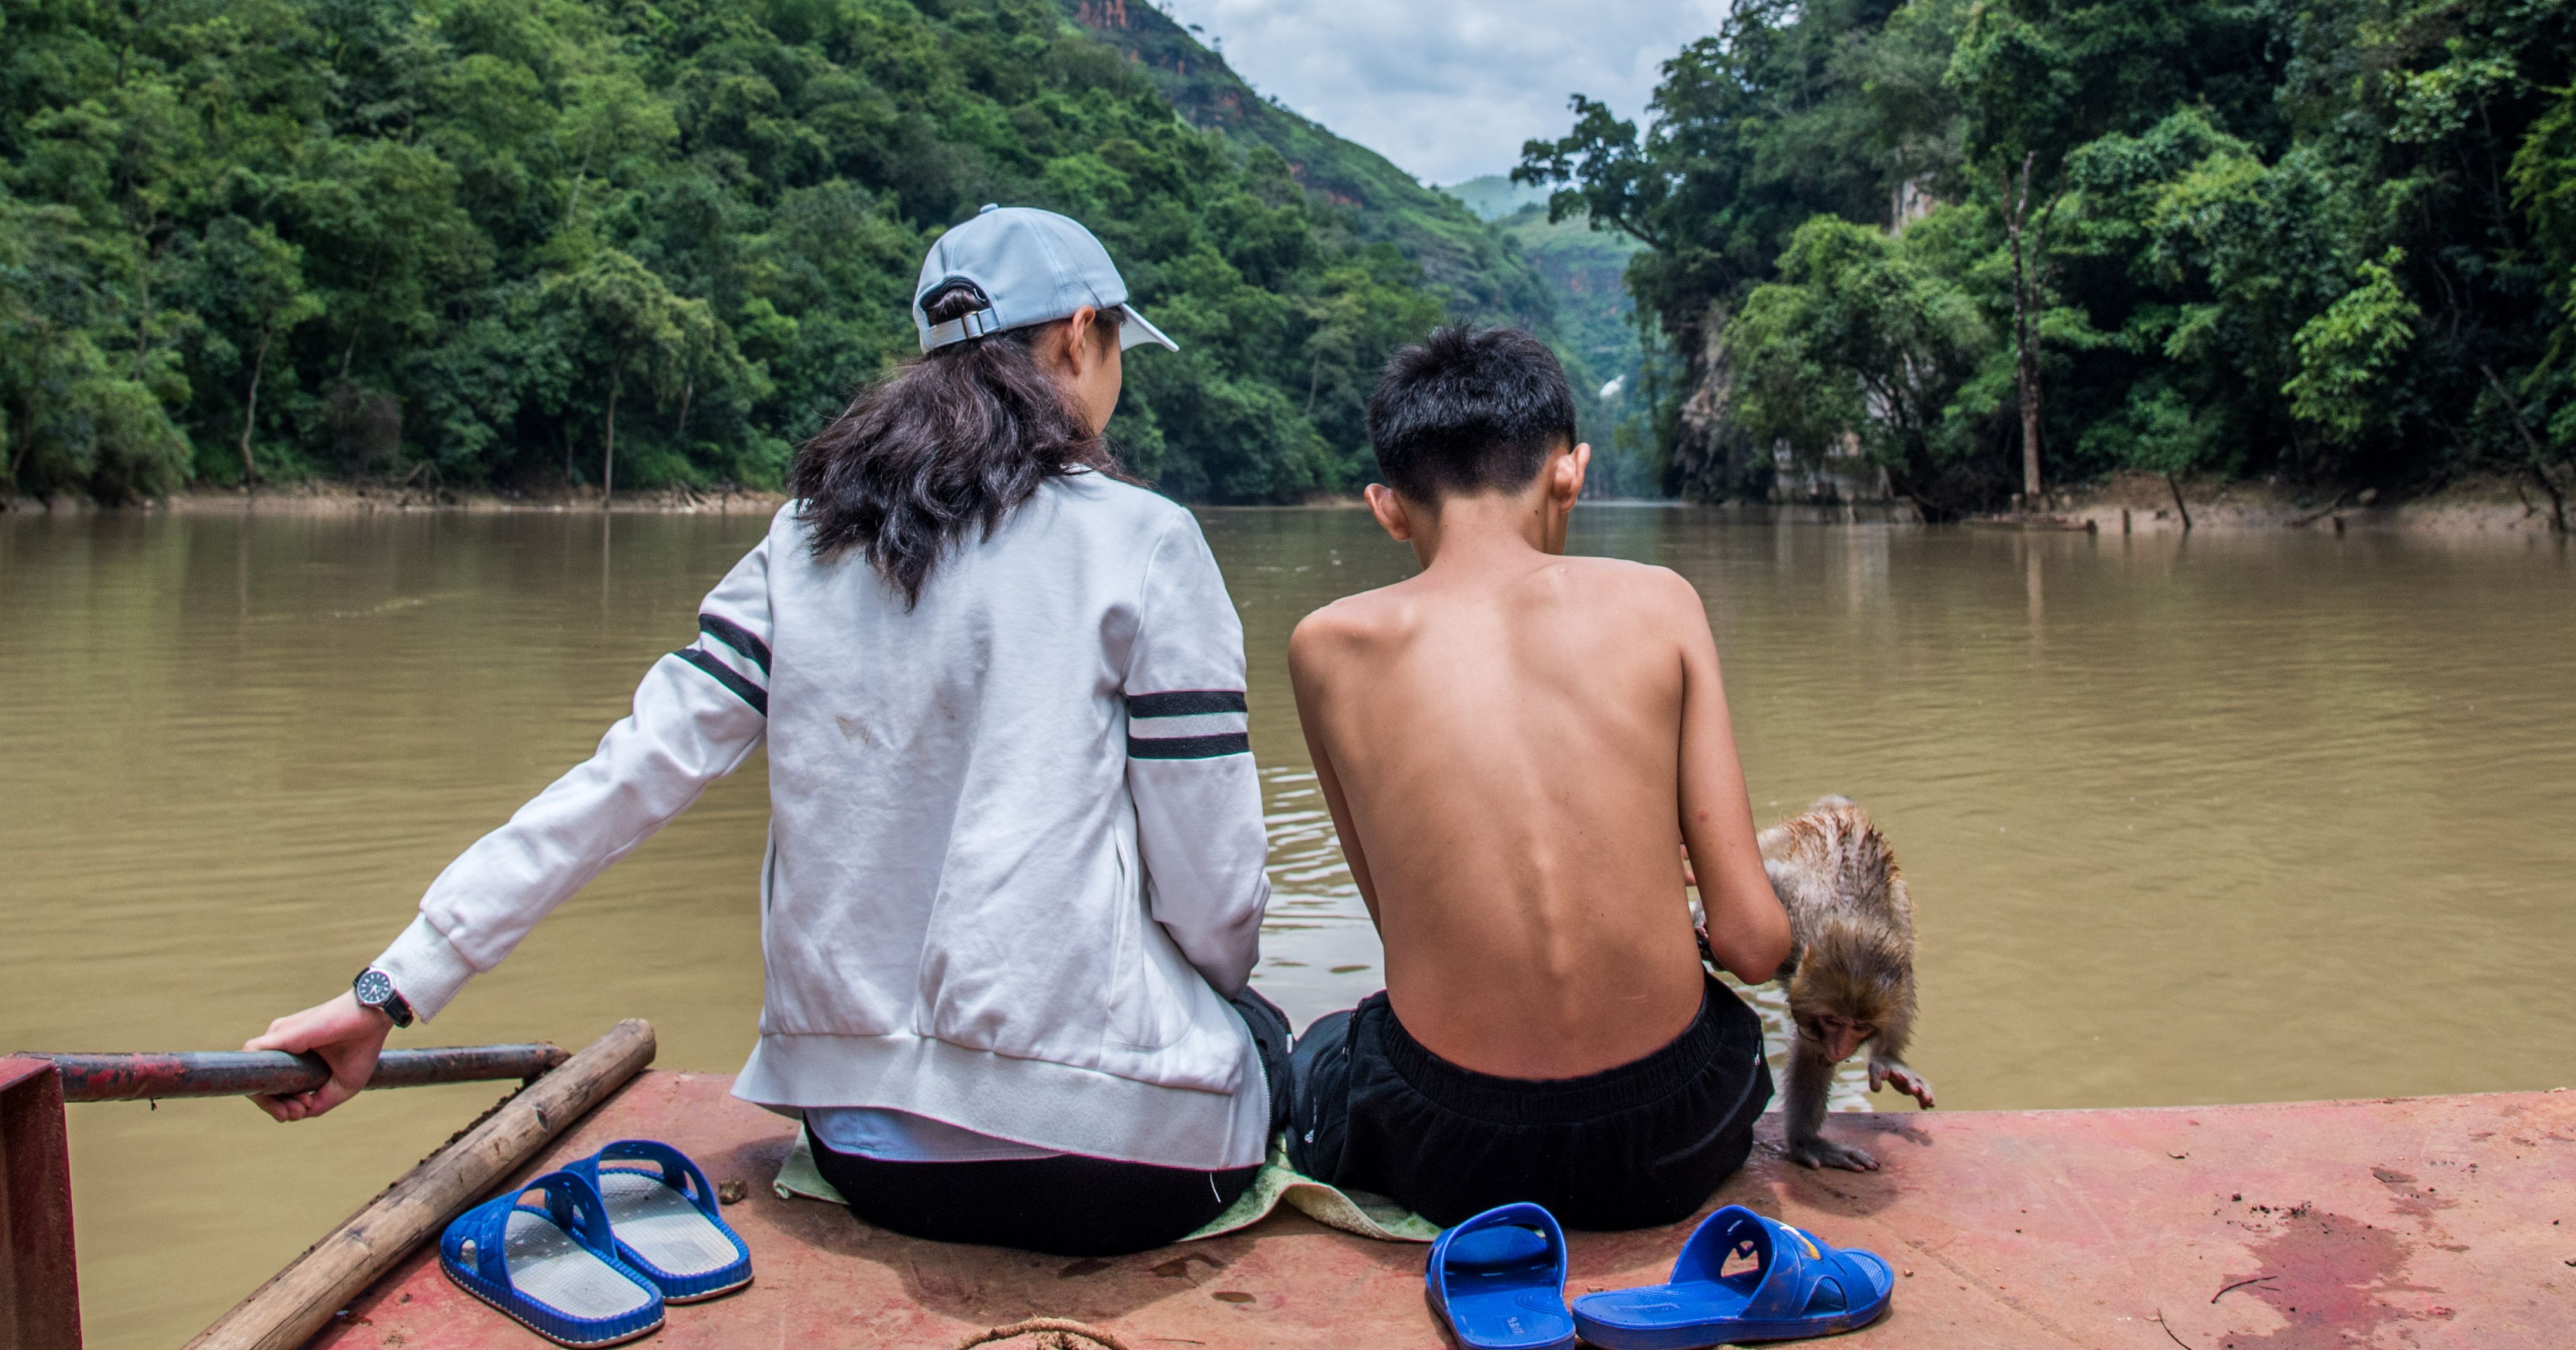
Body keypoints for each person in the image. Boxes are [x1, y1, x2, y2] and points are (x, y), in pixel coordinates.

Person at [244, 206, 1292, 1258]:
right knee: (1269, 1035)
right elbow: (1213, 896)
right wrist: (1204, 1000)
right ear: (1077, 334)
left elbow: (632, 774)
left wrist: (391, 988)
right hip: (1122, 1168)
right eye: (1115, 347)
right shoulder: (1144, 539)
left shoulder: (808, 540)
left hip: (873, 1160)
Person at [1280, 324, 1794, 1230]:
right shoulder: (1660, 602)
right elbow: (1754, 945)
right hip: (1672, 1137)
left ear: (1387, 508)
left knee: (1322, 1045)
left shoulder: (1325, 646)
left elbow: (1404, 931)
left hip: (1451, 1153)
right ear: (1570, 472)